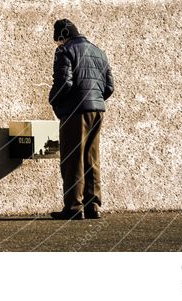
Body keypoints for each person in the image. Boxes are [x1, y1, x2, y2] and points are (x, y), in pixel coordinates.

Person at [48, 19, 114, 220]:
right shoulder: (98, 52)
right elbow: (109, 86)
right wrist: (94, 99)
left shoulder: (65, 51)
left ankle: (74, 207)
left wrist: (53, 99)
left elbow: (64, 82)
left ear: (62, 36)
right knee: (91, 158)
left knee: (72, 159)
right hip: (97, 110)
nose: (58, 44)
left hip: (76, 112)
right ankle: (92, 205)